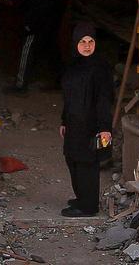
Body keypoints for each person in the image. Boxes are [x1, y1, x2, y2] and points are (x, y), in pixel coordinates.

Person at [58, 22, 113, 217]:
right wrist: (64, 120)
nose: (87, 45)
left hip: (92, 125)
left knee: (87, 164)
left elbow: (105, 99)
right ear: (75, 43)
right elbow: (68, 96)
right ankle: (81, 198)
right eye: (82, 41)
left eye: (91, 41)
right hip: (74, 122)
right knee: (72, 159)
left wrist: (105, 127)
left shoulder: (100, 68)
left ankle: (89, 206)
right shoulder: (72, 66)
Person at [2, 0, 67, 92]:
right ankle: (60, 79)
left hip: (39, 6)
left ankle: (20, 85)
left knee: (29, 41)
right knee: (50, 40)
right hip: (59, 1)